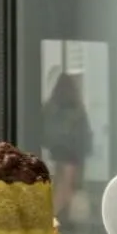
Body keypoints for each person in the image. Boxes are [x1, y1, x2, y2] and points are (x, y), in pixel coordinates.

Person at [42, 70, 93, 225]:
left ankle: (56, 217)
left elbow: (44, 130)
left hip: (58, 153)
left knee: (61, 185)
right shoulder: (76, 108)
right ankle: (54, 218)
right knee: (68, 187)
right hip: (73, 155)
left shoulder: (50, 106)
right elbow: (83, 134)